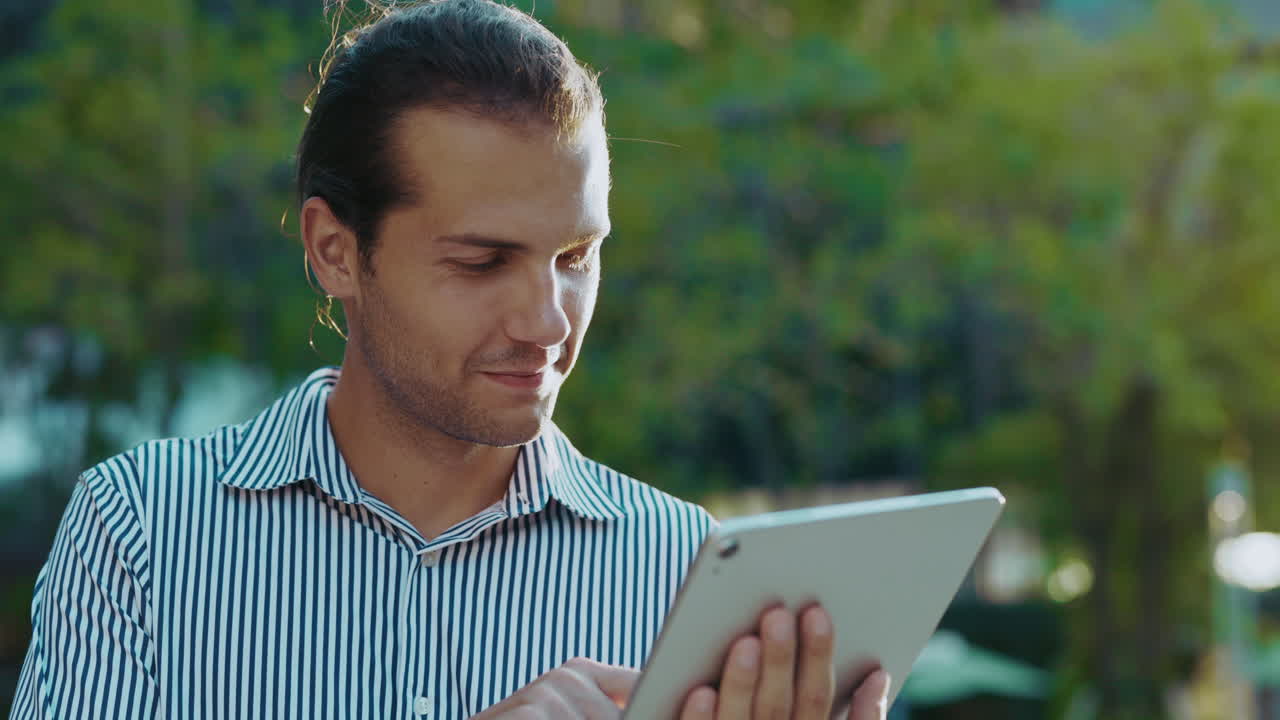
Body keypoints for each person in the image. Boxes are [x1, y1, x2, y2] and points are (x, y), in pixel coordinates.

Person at [10, 1, 890, 718]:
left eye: (577, 257)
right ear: (334, 250)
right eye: (481, 262)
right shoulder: (142, 536)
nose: (549, 319)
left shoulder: (695, 577)